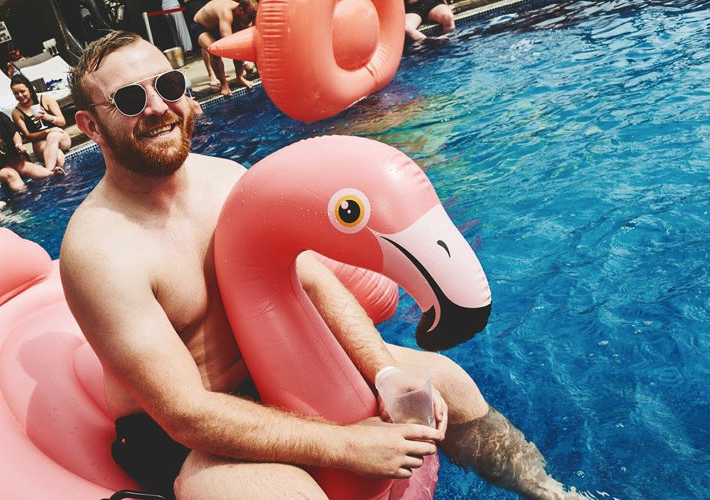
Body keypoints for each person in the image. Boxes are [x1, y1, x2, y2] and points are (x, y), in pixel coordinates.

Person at [62, 31, 587, 500]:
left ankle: (549, 492)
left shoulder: (225, 180)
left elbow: (311, 278)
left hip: (278, 377)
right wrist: (344, 444)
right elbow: (184, 413)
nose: (158, 107)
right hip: (188, 431)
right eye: (130, 99)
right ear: (91, 125)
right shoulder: (101, 251)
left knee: (448, 379)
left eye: (169, 85)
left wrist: (384, 370)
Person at [185, 0, 257, 96]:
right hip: (201, 26)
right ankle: (224, 84)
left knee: (239, 44)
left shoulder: (243, 13)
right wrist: (245, 62)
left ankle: (240, 78)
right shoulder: (226, 12)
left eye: (253, 17)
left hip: (219, 24)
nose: (250, 20)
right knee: (214, 51)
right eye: (250, 17)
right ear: (240, 10)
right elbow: (228, 43)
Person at [10, 74, 71, 172]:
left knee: (53, 136)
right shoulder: (16, 112)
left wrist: (47, 117)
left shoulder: (45, 99)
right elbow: (28, 135)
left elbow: (62, 122)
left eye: (22, 91)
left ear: (29, 88)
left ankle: (47, 172)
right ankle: (67, 178)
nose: (20, 95)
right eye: (16, 93)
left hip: (60, 138)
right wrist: (48, 131)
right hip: (40, 143)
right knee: (58, 156)